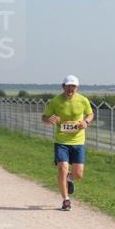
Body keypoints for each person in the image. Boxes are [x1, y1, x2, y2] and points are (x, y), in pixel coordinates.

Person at [41, 75, 94, 211]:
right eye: (68, 86)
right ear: (63, 86)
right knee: (62, 169)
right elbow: (44, 117)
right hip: (61, 142)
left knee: (78, 174)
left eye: (73, 86)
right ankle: (66, 200)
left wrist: (86, 122)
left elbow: (90, 114)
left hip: (78, 141)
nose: (71, 89)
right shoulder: (55, 101)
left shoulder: (83, 100)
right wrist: (49, 120)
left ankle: (70, 178)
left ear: (77, 87)